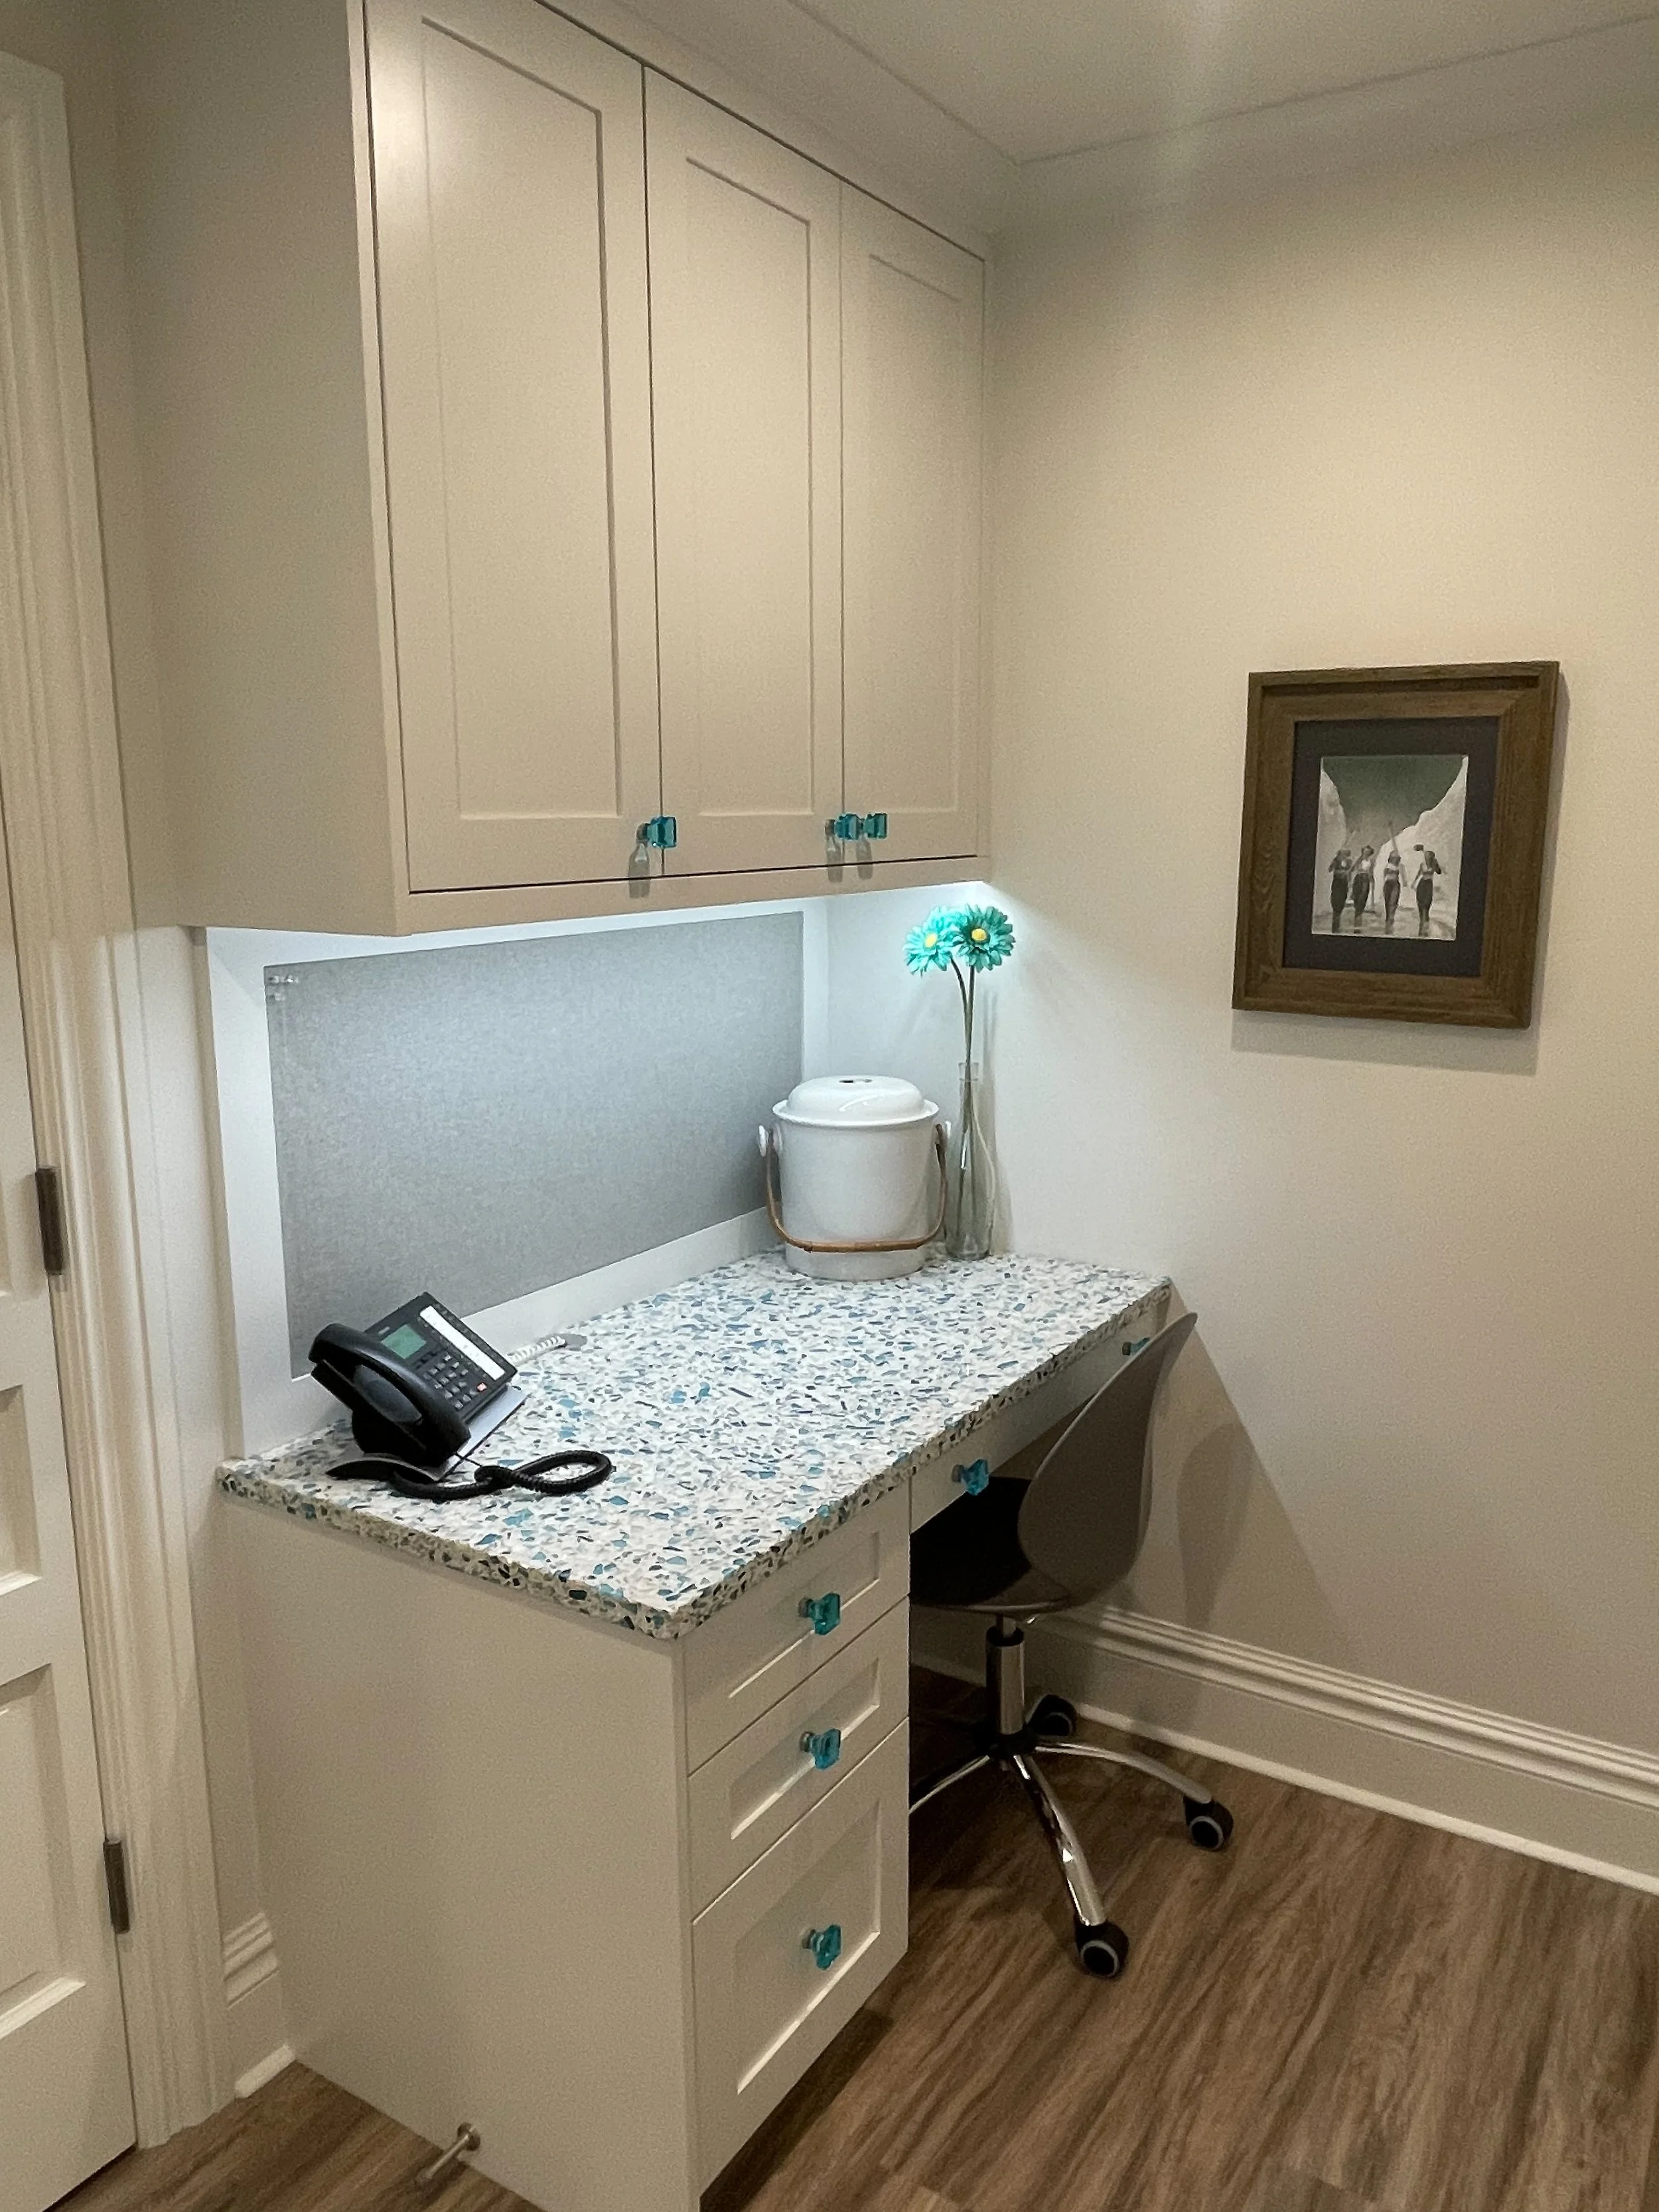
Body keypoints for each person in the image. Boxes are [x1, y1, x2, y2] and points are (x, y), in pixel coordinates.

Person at [1414, 848, 1444, 934]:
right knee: (1420, 900)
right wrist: (1414, 882)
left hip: (1429, 884)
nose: (1425, 857)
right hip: (1422, 883)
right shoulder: (1422, 864)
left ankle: (1426, 916)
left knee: (1427, 901)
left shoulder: (1434, 864)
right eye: (1425, 856)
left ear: (1431, 857)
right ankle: (1421, 919)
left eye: (1427, 856)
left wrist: (1436, 863)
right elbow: (1419, 873)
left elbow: (1439, 872)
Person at [1350, 844, 1375, 928]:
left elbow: (1371, 872)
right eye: (1365, 851)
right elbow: (1352, 869)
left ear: (1370, 853)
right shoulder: (1359, 860)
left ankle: (1359, 914)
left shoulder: (1371, 861)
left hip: (1366, 878)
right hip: (1358, 878)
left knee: (1363, 896)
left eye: (1368, 852)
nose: (1366, 853)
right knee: (1356, 896)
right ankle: (1357, 913)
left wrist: (1372, 881)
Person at [1327, 846, 1352, 929]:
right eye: (1343, 853)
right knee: (1335, 900)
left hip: (1344, 884)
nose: (1344, 855)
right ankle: (1335, 921)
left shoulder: (1349, 862)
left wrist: (1349, 880)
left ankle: (1337, 920)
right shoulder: (1336, 860)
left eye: (1346, 853)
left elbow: (1350, 873)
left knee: (1342, 900)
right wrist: (1339, 870)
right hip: (1337, 883)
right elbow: (1330, 869)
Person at [1381, 845, 1405, 928]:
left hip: (1395, 884)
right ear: (1390, 858)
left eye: (1396, 857)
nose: (1394, 859)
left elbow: (1403, 875)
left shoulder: (1400, 866)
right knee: (1387, 901)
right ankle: (1388, 917)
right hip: (1388, 884)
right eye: (1393, 857)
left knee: (1394, 901)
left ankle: (1392, 916)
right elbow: (1384, 876)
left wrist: (1405, 882)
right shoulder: (1387, 865)